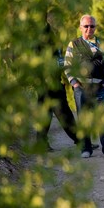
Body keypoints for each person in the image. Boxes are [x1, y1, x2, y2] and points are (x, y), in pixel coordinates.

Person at [64, 14, 104, 159]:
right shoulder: (73, 44)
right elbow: (67, 65)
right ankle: (85, 149)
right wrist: (74, 83)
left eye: (92, 26)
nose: (89, 29)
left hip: (99, 87)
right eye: (86, 26)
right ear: (80, 28)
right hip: (81, 88)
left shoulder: (103, 44)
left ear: (95, 28)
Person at [36, 11, 79, 151]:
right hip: (48, 79)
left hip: (47, 79)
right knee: (62, 110)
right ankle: (79, 139)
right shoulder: (45, 36)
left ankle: (42, 142)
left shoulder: (50, 34)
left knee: (48, 111)